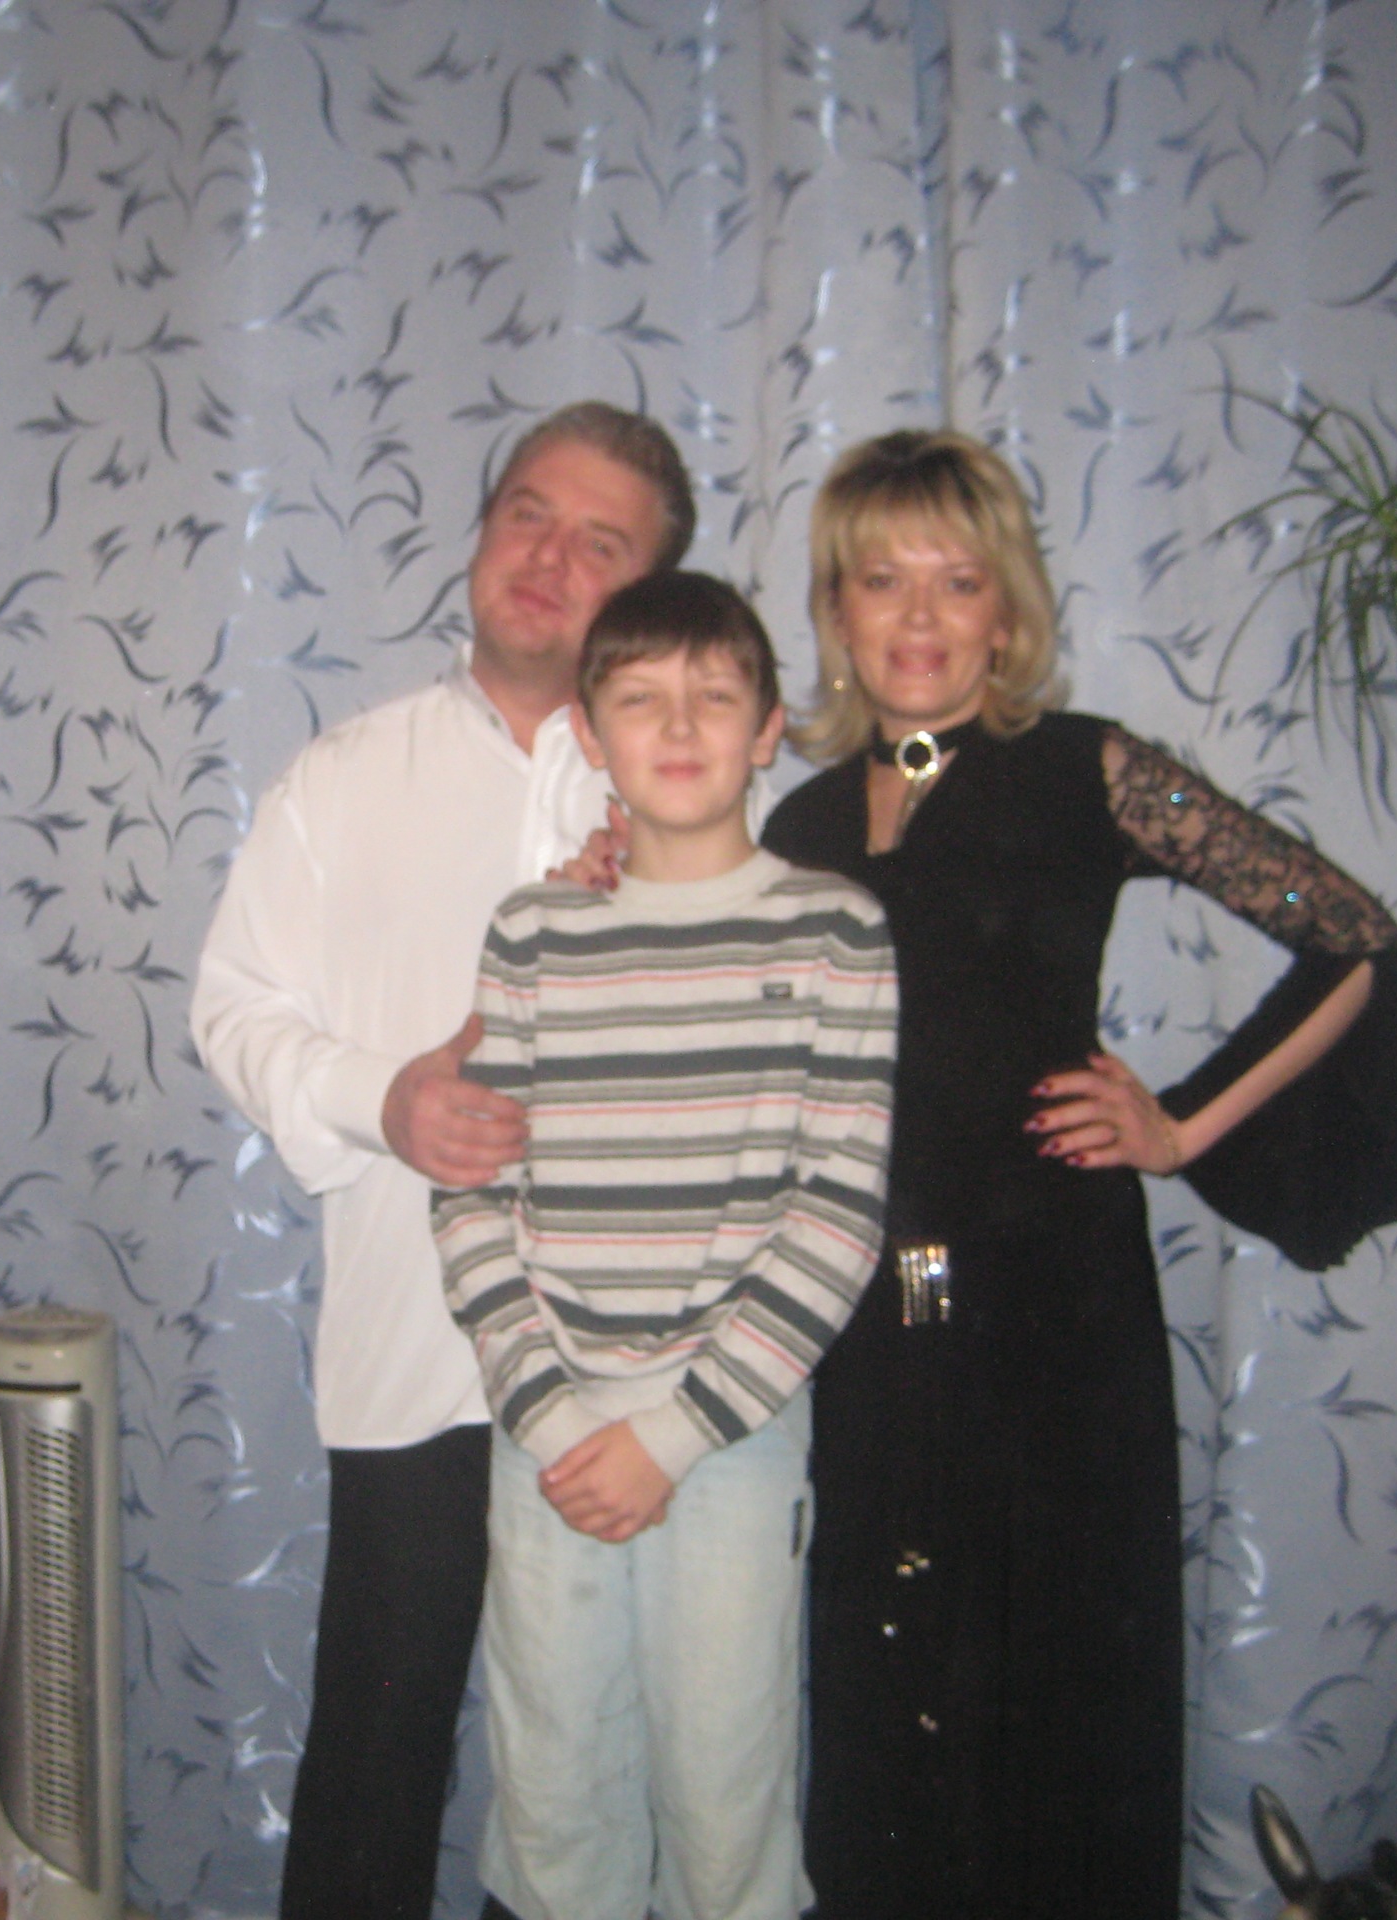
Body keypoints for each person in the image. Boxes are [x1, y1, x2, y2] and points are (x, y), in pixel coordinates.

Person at [756, 429, 1397, 1918]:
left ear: (1007, 614)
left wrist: (1184, 1127)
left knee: (1055, 1665)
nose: (921, 617)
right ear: (836, 609)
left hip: (1050, 1295)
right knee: (889, 1636)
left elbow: (1350, 935)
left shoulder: (1086, 769)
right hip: (883, 1297)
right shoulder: (802, 825)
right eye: (883, 580)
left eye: (958, 582)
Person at [189, 402, 698, 1920]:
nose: (549, 555)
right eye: (528, 513)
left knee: (612, 1769)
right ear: (481, 533)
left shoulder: (688, 789)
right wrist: (382, 1101)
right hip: (417, 1350)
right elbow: (232, 1006)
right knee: (379, 1743)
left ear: (653, 592)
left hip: (641, 1374)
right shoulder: (345, 776)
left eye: (601, 542)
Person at [431, 572, 895, 1920]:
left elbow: (836, 1214)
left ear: (768, 728)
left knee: (725, 1793)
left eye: (715, 697)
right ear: (590, 733)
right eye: (640, 699)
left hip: (731, 1437)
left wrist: (679, 1432)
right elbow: (470, 1191)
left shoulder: (835, 930)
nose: (679, 727)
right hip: (551, 1433)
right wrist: (549, 1409)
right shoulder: (532, 932)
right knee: (556, 1785)